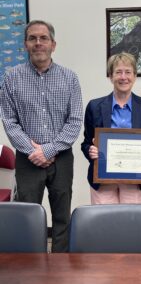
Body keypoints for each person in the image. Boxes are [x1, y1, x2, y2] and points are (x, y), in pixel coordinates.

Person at [0, 20, 83, 252]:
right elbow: (9, 121)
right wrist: (32, 150)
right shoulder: (11, 78)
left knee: (61, 219)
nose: (38, 43)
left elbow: (75, 121)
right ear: (25, 45)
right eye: (32, 38)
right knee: (27, 218)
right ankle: (29, 267)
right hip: (27, 160)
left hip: (62, 159)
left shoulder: (70, 78)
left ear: (53, 45)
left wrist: (48, 150)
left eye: (43, 38)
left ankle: (60, 268)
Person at [81, 52, 141, 204]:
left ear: (135, 76)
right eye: (118, 72)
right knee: (104, 224)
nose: (123, 77)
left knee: (131, 223)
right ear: (111, 76)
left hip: (135, 180)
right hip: (103, 179)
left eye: (128, 72)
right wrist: (91, 150)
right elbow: (86, 144)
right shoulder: (94, 106)